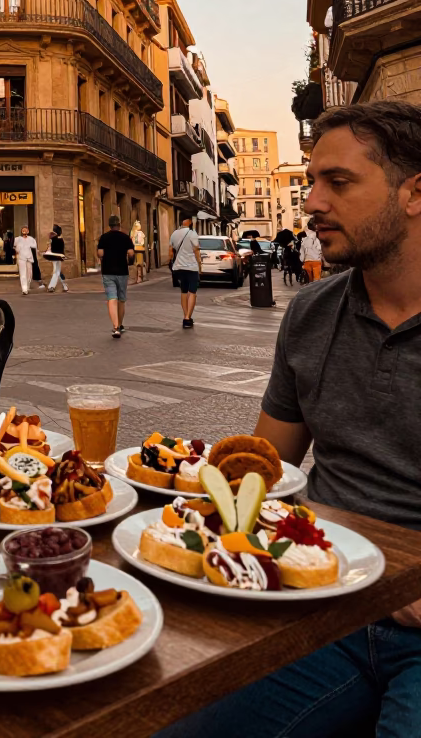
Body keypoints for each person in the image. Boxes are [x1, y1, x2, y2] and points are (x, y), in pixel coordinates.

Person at [156, 100, 421, 738]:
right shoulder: (311, 315)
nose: (311, 203)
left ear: (415, 194)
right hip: (321, 604)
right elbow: (259, 473)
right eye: (310, 182)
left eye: (339, 182)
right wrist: (172, 493)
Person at [97, 215, 134, 338]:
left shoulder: (104, 237)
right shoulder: (125, 237)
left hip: (108, 271)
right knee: (121, 299)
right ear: (119, 225)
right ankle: (121, 324)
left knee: (111, 298)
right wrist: (130, 262)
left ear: (109, 225)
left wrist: (104, 259)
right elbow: (131, 253)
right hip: (122, 271)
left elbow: (100, 253)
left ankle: (115, 327)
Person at [169, 214, 202, 329]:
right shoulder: (192, 233)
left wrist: (171, 263)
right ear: (188, 221)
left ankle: (185, 316)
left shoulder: (174, 234)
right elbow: (196, 251)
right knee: (192, 292)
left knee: (183, 291)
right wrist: (200, 265)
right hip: (191, 267)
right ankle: (188, 318)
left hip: (179, 267)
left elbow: (171, 252)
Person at [13, 226, 38, 295]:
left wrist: (29, 244)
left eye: (25, 230)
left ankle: (27, 286)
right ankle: (24, 288)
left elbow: (34, 246)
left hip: (29, 257)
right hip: (21, 257)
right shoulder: (18, 239)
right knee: (23, 273)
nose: (24, 231)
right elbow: (15, 246)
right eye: (23, 230)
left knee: (29, 274)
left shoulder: (31, 239)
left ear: (28, 231)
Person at [45, 226, 69, 293]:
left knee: (56, 271)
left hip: (57, 257)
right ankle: (64, 285)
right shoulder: (53, 240)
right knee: (57, 271)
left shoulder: (58, 240)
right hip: (55, 257)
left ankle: (52, 286)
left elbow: (59, 250)